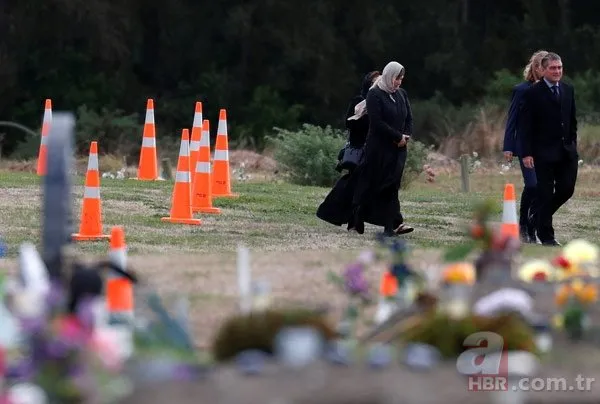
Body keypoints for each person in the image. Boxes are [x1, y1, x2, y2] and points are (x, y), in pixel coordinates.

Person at [348, 61, 414, 237]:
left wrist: (406, 136)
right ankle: (357, 218)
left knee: (391, 186)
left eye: (401, 78)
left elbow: (409, 119)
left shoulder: (402, 95)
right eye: (396, 78)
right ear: (388, 76)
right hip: (378, 149)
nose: (398, 82)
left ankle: (389, 227)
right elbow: (377, 123)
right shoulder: (375, 95)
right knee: (371, 186)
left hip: (398, 150)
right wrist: (397, 136)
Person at [519, 52, 578, 246]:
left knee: (566, 189)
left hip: (566, 151)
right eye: (553, 68)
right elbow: (525, 125)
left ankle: (536, 217)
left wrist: (573, 143)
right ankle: (547, 236)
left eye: (559, 67)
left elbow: (572, 121)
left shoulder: (568, 90)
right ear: (543, 70)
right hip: (542, 153)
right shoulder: (532, 93)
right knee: (544, 193)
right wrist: (526, 153)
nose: (557, 71)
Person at [502, 50, 548, 244]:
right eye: (543, 67)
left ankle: (531, 227)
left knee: (542, 188)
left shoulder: (552, 90)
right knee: (532, 185)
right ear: (536, 68)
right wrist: (508, 146)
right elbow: (512, 119)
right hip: (525, 146)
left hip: (545, 147)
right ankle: (523, 225)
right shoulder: (521, 90)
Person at [336, 71, 381, 173]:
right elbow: (348, 123)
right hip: (359, 147)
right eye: (375, 82)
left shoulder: (382, 102)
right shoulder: (358, 101)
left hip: (376, 148)